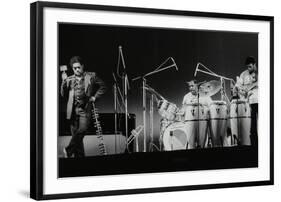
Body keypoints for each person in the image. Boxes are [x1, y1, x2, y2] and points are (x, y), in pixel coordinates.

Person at [61, 56, 106, 158]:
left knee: (82, 130)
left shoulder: (91, 76)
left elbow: (103, 86)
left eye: (78, 67)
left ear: (82, 66)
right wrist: (63, 82)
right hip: (72, 111)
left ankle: (68, 150)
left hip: (84, 110)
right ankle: (80, 161)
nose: (77, 70)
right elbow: (63, 95)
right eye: (74, 68)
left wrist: (95, 97)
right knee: (78, 140)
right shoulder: (69, 79)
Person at [236, 56, 258, 146]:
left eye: (250, 66)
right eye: (247, 67)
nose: (248, 69)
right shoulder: (243, 74)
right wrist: (241, 91)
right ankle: (253, 145)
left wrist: (248, 87)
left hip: (259, 101)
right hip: (249, 103)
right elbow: (238, 86)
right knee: (252, 126)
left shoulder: (260, 72)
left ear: (254, 65)